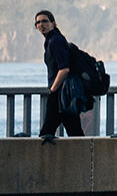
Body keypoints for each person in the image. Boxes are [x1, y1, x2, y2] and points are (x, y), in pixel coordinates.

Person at [35, 10, 86, 138]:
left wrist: (52, 90)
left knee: (46, 133)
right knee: (75, 132)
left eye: (45, 21)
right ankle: (85, 156)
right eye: (38, 22)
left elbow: (64, 69)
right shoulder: (52, 40)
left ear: (53, 23)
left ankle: (42, 157)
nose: (41, 24)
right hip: (65, 93)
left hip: (60, 93)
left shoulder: (55, 40)